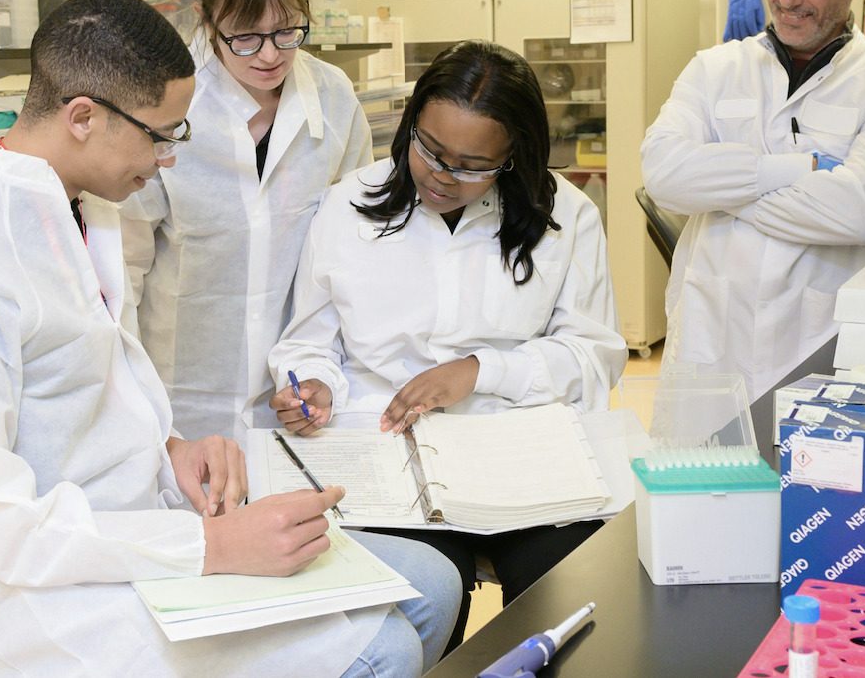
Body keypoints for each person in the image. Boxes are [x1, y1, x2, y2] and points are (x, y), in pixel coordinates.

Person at [0, 0, 459, 678]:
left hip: (132, 523)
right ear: (83, 117)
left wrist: (172, 450)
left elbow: (82, 396)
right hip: (27, 588)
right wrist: (212, 547)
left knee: (431, 584)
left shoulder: (82, 206)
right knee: (386, 649)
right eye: (160, 134)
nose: (169, 158)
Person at [268, 40, 629, 650]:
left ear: (513, 157)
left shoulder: (566, 215)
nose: (441, 175)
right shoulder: (347, 205)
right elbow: (308, 342)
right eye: (430, 150)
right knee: (424, 606)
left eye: (471, 165)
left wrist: (481, 371)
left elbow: (592, 356)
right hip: (390, 459)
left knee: (569, 598)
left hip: (518, 455)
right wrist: (312, 385)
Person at [119, 0, 373, 447]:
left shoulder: (333, 98)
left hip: (297, 393)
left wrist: (323, 372)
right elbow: (124, 267)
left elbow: (352, 251)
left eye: (286, 32)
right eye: (245, 37)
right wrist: (127, 400)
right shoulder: (165, 105)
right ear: (207, 20)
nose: (269, 56)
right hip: (179, 400)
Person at [642, 0, 865, 402]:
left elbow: (858, 214)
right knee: (704, 454)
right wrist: (796, 171)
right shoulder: (713, 69)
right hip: (714, 342)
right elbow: (663, 176)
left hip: (822, 343)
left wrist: (719, 191)